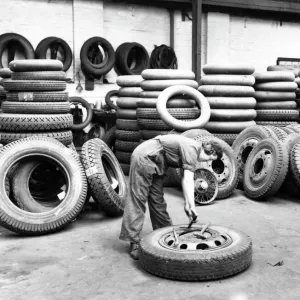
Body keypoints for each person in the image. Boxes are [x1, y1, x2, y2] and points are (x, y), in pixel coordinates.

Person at [119, 134, 223, 260]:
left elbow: (186, 177)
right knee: (138, 198)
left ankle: (164, 232)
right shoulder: (192, 148)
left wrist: (188, 206)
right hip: (145, 157)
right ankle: (133, 241)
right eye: (209, 158)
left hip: (158, 162)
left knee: (157, 199)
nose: (207, 162)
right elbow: (188, 180)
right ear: (210, 151)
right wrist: (192, 207)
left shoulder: (193, 150)